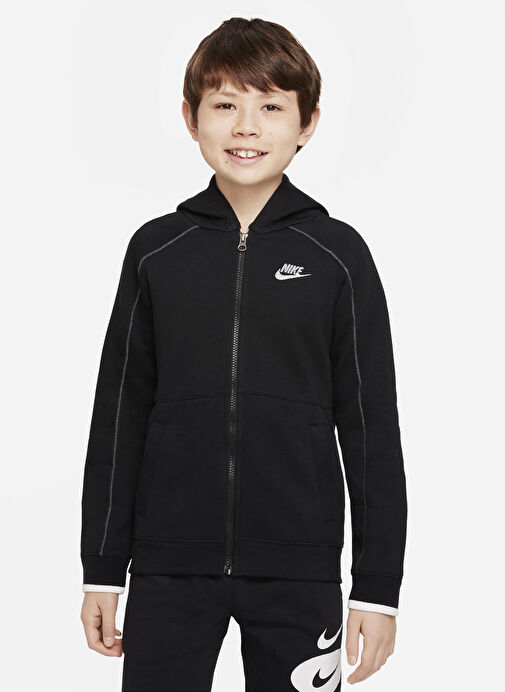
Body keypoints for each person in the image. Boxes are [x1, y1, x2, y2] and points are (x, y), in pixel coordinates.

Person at [79, 16, 408, 691]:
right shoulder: (156, 251)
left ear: (307, 123)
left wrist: (377, 588)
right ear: (191, 117)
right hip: (168, 567)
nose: (247, 128)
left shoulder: (337, 255)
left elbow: (371, 427)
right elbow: (120, 414)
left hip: (299, 568)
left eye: (271, 107)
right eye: (225, 105)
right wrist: (103, 571)